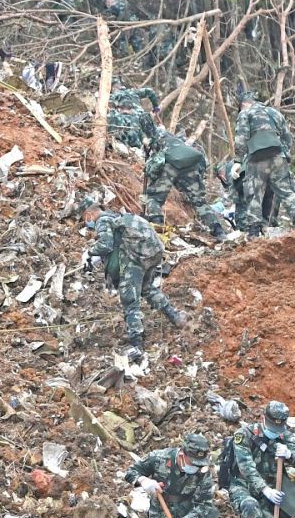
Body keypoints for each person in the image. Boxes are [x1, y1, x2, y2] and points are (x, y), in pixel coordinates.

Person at [81, 200, 186, 357]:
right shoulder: (116, 217)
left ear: (89, 214)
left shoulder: (102, 221)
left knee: (130, 301)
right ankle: (176, 318)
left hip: (134, 261)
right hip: (150, 255)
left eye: (84, 218)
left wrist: (89, 253)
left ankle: (136, 343)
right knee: (148, 289)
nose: (86, 222)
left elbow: (106, 244)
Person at [222, 401, 295, 518]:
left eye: (279, 427)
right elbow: (246, 467)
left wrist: (289, 454)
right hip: (244, 486)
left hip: (273, 489)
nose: (275, 431)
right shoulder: (244, 435)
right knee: (251, 506)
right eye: (272, 426)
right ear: (263, 419)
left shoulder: (285, 435)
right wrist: (264, 489)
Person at [232, 91, 295, 235]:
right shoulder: (275, 113)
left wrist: (238, 160)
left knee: (254, 194)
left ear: (243, 104)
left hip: (257, 158)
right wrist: (283, 155)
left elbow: (241, 137)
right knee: (286, 192)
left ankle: (254, 232)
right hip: (278, 156)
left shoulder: (245, 113)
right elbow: (287, 139)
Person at [143, 131, 223, 237]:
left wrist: (152, 179)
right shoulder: (181, 144)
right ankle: (218, 231)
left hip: (170, 166)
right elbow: (202, 167)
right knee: (200, 203)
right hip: (191, 167)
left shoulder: (157, 141)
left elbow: (154, 166)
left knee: (154, 198)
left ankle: (157, 225)